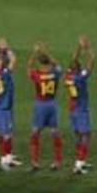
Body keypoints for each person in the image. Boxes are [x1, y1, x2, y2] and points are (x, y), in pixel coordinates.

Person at [27, 42, 64, 171]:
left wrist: (35, 52)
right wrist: (46, 52)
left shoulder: (37, 75)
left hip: (40, 105)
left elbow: (28, 67)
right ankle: (57, 161)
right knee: (54, 132)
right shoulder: (54, 73)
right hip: (52, 104)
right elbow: (58, 65)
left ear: (40, 63)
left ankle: (34, 161)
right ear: (49, 63)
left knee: (35, 132)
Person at [64, 36, 94, 174]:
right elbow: (91, 62)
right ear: (78, 68)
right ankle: (79, 163)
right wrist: (87, 48)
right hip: (81, 110)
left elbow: (73, 61)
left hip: (72, 109)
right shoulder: (80, 78)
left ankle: (79, 160)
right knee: (86, 135)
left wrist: (78, 47)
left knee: (78, 136)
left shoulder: (68, 76)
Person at [0, 39, 20, 171]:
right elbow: (14, 59)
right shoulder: (6, 74)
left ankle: (8, 156)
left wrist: (1, 51)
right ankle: (4, 161)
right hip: (3, 109)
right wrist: (7, 49)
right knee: (6, 135)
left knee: (8, 133)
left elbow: (0, 62)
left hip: (4, 107)